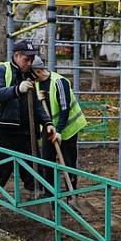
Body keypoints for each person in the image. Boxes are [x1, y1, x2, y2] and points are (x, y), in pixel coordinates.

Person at [0, 40, 57, 223]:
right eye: (26, 59)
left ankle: (36, 207)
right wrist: (17, 89)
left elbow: (36, 104)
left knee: (34, 170)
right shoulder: (2, 70)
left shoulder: (30, 76)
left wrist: (47, 122)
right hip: (4, 131)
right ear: (16, 56)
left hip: (27, 133)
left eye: (32, 59)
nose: (30, 63)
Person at [30, 55, 87, 196]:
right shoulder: (35, 84)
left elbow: (64, 109)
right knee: (47, 162)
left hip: (68, 128)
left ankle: (72, 195)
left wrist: (59, 131)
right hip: (48, 129)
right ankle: (50, 196)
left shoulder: (59, 82)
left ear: (37, 71)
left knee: (68, 163)